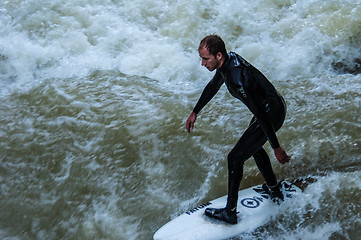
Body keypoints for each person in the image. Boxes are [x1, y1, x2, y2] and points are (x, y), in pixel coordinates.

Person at [186, 35, 291, 224]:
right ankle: (274, 190)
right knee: (254, 147)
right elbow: (212, 86)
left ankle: (230, 212)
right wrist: (195, 111)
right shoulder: (226, 64)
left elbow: (259, 112)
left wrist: (276, 146)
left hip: (271, 112)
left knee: (235, 158)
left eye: (205, 59)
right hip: (268, 107)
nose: (202, 63)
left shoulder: (237, 78)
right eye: (201, 59)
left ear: (218, 55)